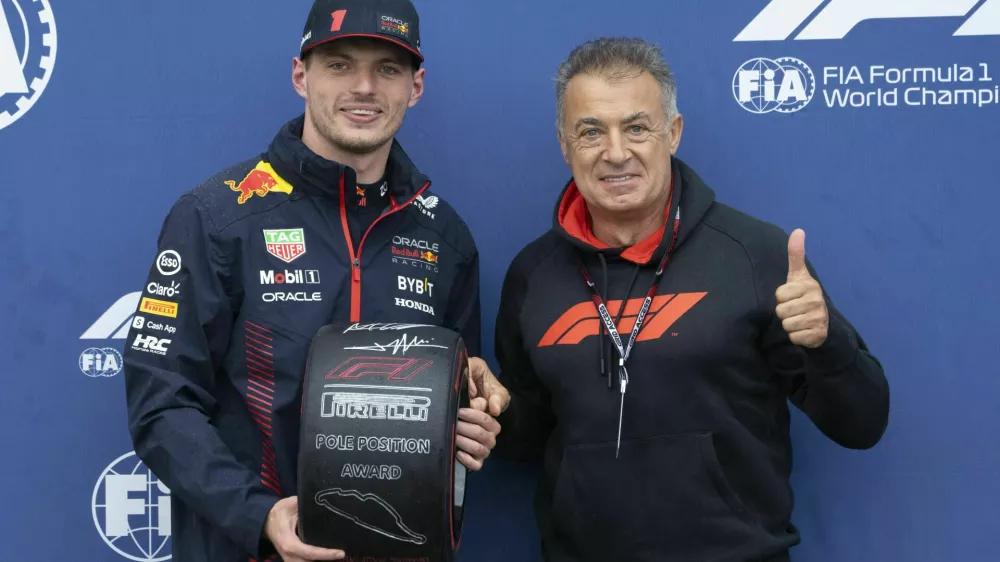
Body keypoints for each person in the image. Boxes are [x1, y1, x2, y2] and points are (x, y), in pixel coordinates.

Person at [469, 37, 891, 561]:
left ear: (673, 133)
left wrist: (828, 345)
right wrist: (497, 414)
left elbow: (863, 424)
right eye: (591, 131)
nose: (616, 152)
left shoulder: (756, 255)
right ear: (564, 144)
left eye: (637, 127)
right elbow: (531, 438)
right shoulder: (533, 274)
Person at [122, 1, 502, 561]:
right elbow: (161, 403)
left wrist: (471, 423)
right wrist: (258, 515)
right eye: (340, 64)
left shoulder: (445, 236)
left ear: (415, 86)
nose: (365, 87)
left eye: (388, 69)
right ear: (301, 75)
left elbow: (458, 403)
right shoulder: (218, 217)